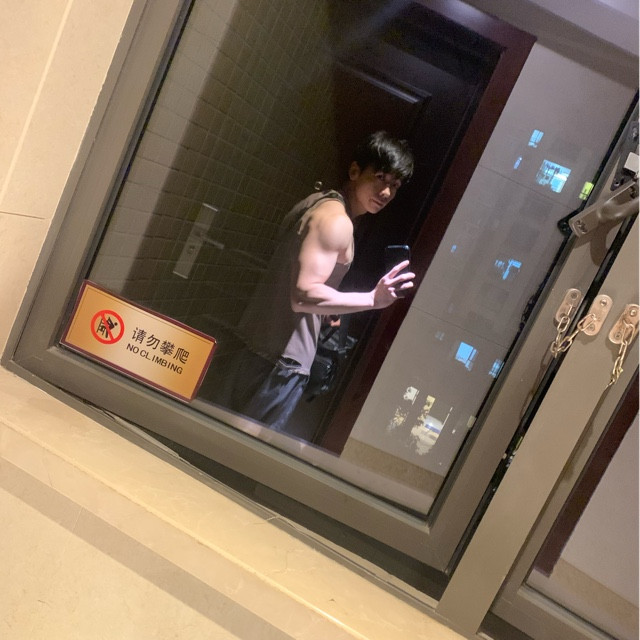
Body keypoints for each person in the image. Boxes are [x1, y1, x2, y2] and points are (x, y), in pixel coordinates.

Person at [221, 131, 415, 431]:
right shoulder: (336, 221)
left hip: (255, 343)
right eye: (380, 177)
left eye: (395, 185)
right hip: (280, 362)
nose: (386, 192)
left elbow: (297, 281)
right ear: (355, 171)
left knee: (213, 439)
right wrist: (372, 299)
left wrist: (325, 310)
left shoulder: (318, 202)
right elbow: (303, 294)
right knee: (236, 451)